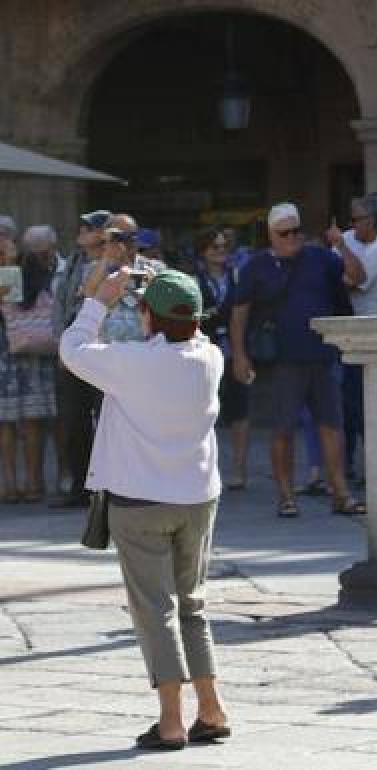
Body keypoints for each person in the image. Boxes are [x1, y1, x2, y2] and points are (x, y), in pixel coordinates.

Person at [60, 268, 230, 750]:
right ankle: (211, 708)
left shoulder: (131, 361)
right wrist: (163, 294)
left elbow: (72, 349)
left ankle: (172, 721)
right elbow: (188, 330)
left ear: (147, 315)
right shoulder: (211, 358)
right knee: (192, 604)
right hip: (197, 497)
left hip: (140, 500)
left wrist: (99, 300)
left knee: (155, 611)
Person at [230, 202, 364, 518]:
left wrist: (341, 244)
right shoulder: (255, 266)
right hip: (281, 360)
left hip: (322, 354)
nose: (292, 237)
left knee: (332, 425)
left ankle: (340, 493)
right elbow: (239, 313)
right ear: (271, 235)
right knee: (283, 429)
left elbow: (357, 277)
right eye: (284, 233)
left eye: (296, 231)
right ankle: (286, 496)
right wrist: (239, 355)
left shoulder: (320, 257)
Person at [327, 195, 377, 482]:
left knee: (361, 406)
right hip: (357, 334)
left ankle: (374, 468)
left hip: (370, 335)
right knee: (352, 405)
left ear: (371, 221)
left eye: (356, 219)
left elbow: (352, 280)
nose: (352, 225)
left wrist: (341, 246)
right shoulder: (365, 244)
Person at [51, 209, 111, 508]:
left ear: (104, 233)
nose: (82, 230)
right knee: (73, 420)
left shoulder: (114, 264)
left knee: (107, 420)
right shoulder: (73, 262)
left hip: (103, 352)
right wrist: (63, 345)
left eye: (89, 227)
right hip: (73, 352)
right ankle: (79, 486)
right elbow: (60, 306)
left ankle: (107, 487)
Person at [0, 226, 61, 502]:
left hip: (9, 353)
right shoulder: (41, 272)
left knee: (7, 424)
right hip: (36, 354)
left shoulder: (12, 274)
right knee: (33, 423)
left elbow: (8, 304)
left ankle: (10, 484)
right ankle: (34, 482)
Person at [195, 228, 250, 490]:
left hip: (236, 349)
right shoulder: (195, 280)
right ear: (203, 251)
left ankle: (239, 469)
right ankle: (206, 468)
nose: (220, 252)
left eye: (224, 247)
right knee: (206, 411)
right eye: (214, 247)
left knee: (240, 408)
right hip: (206, 351)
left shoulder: (238, 276)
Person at [82, 215, 166, 344]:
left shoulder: (155, 267)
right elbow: (90, 294)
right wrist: (107, 256)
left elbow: (151, 298)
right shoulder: (94, 269)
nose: (126, 241)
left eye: (131, 236)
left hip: (143, 348)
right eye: (119, 236)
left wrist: (126, 262)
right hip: (107, 349)